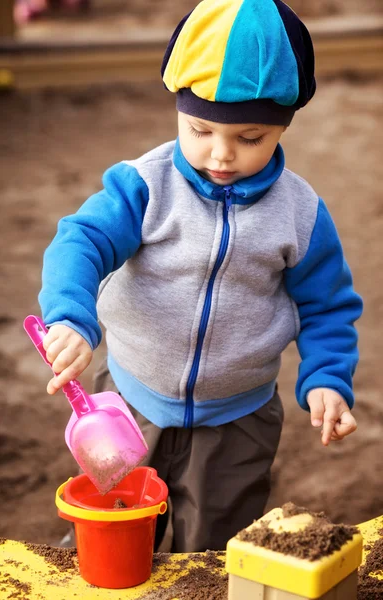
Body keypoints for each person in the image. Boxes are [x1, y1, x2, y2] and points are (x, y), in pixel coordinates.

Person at [38, 0, 363, 552]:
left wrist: (328, 377)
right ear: (179, 112)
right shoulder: (145, 186)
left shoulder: (301, 213)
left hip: (239, 419)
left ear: (283, 125)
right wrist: (71, 315)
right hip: (130, 405)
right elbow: (82, 240)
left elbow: (328, 305)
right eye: (200, 128)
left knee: (214, 552)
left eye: (250, 138)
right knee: (111, 536)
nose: (220, 153)